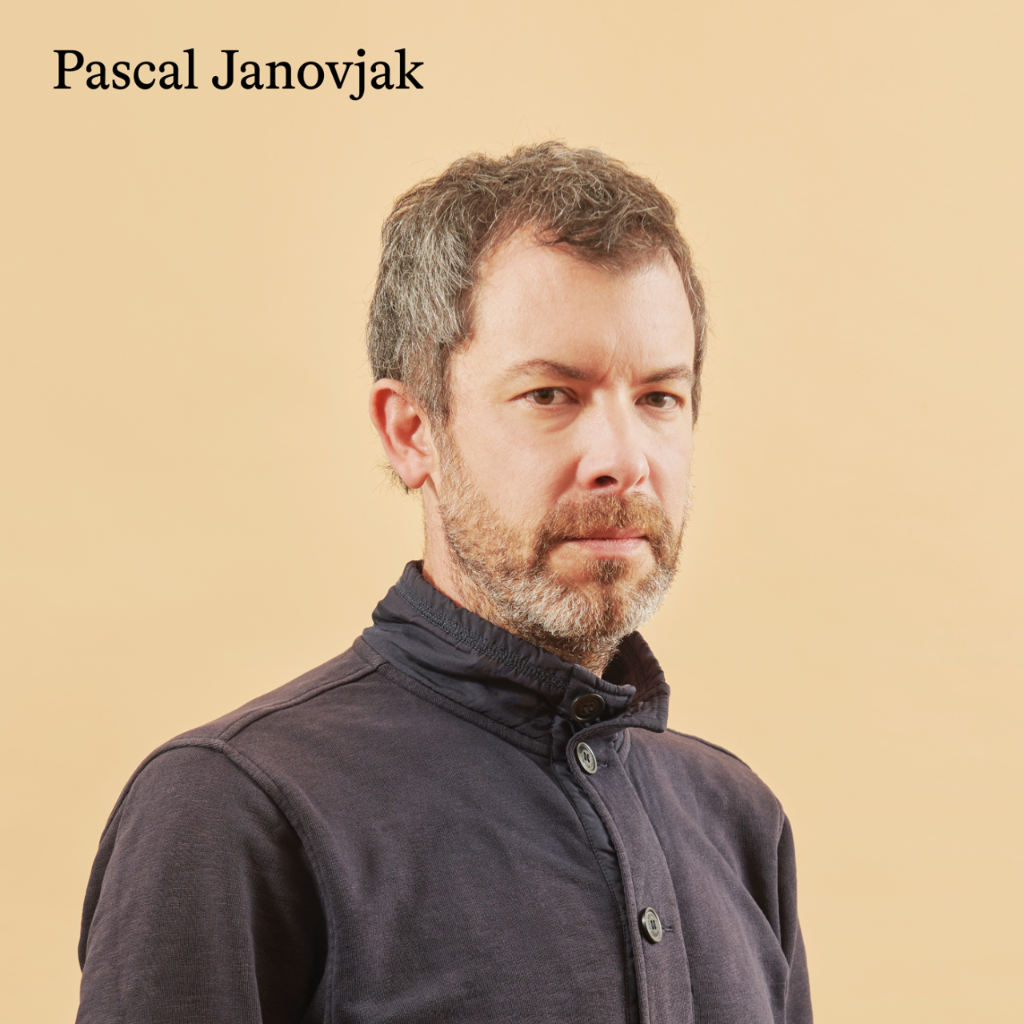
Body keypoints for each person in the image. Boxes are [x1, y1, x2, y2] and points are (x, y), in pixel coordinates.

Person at [76, 142, 812, 1024]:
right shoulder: (230, 808)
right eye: (551, 395)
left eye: (659, 397)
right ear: (412, 431)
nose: (624, 459)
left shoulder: (739, 821)